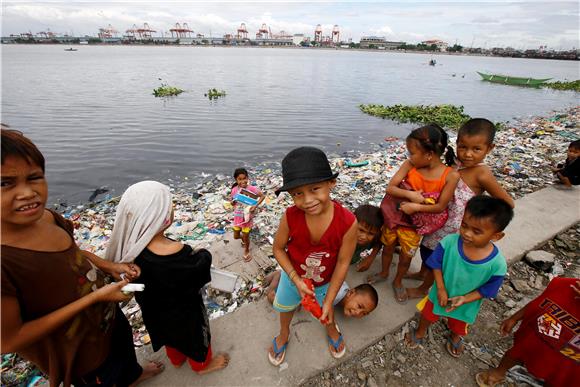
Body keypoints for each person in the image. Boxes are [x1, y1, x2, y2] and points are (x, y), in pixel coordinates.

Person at [0, 128, 163, 387]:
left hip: (106, 315)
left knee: (122, 347)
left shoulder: (46, 218)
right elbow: (8, 340)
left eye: (34, 178)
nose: (28, 193)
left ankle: (133, 374)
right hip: (77, 345)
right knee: (104, 376)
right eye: (4, 183)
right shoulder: (5, 261)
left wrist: (109, 266)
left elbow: (72, 254)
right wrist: (94, 298)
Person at [105, 181, 230, 374]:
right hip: (187, 317)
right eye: (169, 206)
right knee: (195, 341)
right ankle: (202, 366)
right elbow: (201, 269)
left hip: (155, 316)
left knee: (169, 339)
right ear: (160, 218)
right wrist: (203, 254)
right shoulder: (181, 254)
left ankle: (177, 360)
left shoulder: (130, 256)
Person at [268, 146, 358, 366]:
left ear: (331, 183)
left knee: (326, 311)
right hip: (293, 278)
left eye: (315, 188)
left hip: (325, 281)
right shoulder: (290, 217)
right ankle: (283, 333)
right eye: (298, 193)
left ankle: (331, 330)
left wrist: (328, 299)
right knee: (285, 309)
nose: (307, 200)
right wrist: (295, 279)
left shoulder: (347, 222)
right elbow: (278, 249)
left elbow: (343, 262)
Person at [406, 118, 515, 299]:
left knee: (440, 257)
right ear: (456, 143)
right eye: (463, 147)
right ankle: (422, 274)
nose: (468, 154)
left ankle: (424, 287)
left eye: (476, 149)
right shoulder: (455, 164)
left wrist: (483, 214)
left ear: (490, 148)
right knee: (426, 249)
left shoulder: (482, 173)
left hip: (458, 227)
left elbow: (508, 203)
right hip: (439, 219)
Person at [405, 195, 514, 358]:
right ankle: (420, 332)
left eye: (477, 231)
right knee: (428, 315)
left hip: (466, 303)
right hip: (439, 293)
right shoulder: (449, 242)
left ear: (496, 236)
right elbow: (435, 264)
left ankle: (455, 335)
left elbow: (487, 290)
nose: (467, 234)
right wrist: (440, 288)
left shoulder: (497, 265)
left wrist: (464, 299)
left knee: (459, 323)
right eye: (464, 225)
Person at [365, 124, 460, 304]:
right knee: (388, 247)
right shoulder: (410, 166)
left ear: (429, 154)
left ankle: (398, 280)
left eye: (412, 152)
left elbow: (440, 207)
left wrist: (416, 207)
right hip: (395, 218)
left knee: (406, 257)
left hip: (414, 226)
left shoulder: (450, 176)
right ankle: (384, 272)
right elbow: (391, 187)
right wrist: (410, 195)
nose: (409, 157)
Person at [475, 277, 579, 387]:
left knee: (563, 377)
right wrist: (514, 318)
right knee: (519, 351)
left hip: (572, 358)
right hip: (538, 339)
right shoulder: (564, 285)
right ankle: (499, 373)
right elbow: (539, 303)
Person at [264, 270, 378, 319]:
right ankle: (275, 285)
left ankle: (280, 273)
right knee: (293, 308)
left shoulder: (344, 292)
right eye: (359, 307)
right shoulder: (336, 294)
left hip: (312, 278)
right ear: (351, 293)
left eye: (364, 313)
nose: (358, 313)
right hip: (303, 281)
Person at [230, 167, 265, 262]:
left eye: (244, 178)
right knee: (236, 236)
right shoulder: (234, 189)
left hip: (247, 218)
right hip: (237, 217)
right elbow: (232, 201)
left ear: (247, 178)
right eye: (240, 179)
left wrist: (255, 206)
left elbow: (262, 196)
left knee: (246, 235)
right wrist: (232, 203)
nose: (243, 181)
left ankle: (246, 250)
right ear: (236, 180)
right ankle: (244, 240)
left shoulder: (252, 189)